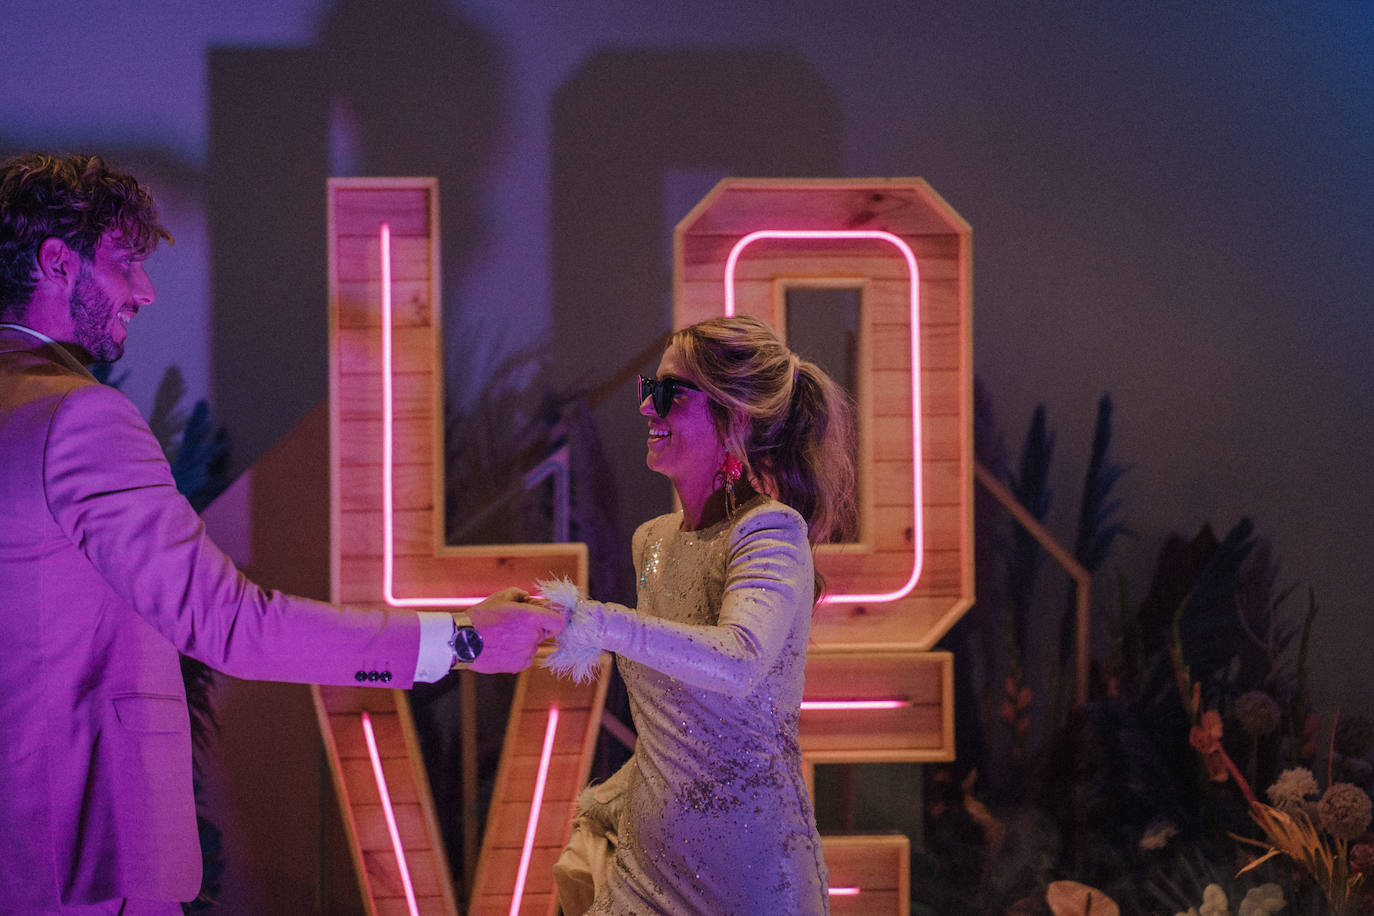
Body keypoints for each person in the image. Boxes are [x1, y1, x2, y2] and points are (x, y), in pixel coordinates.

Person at [0, 152, 564, 914]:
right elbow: (229, 623)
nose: (145, 290)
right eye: (125, 263)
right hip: (78, 868)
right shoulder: (79, 419)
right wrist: (460, 639)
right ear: (58, 262)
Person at [539, 315, 857, 916]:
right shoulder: (651, 542)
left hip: (749, 882)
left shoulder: (770, 532)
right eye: (646, 389)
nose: (647, 410)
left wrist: (598, 623)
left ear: (733, 417)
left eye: (668, 393)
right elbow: (677, 725)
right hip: (645, 872)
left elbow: (737, 661)